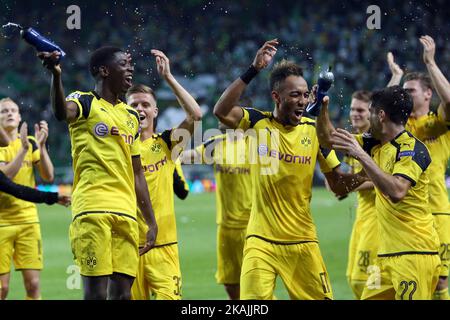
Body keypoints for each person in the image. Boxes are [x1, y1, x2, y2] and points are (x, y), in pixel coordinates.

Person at [213, 39, 367, 300]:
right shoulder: (258, 123)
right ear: (276, 96)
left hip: (302, 241)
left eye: (305, 94)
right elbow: (221, 110)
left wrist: (370, 172)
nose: (302, 100)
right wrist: (253, 69)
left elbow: (338, 185)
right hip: (260, 242)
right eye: (294, 94)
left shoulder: (314, 132)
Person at [36, 47, 157, 300]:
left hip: (126, 213)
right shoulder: (84, 101)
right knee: (96, 295)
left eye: (130, 64)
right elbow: (61, 112)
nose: (131, 69)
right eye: (124, 64)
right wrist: (56, 75)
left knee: (124, 295)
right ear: (104, 70)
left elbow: (137, 173)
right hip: (93, 209)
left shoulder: (132, 116)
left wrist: (151, 220)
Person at [317, 85, 440, 300]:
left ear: (381, 115)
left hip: (414, 254)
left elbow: (397, 191)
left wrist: (361, 156)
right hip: (385, 257)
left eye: (370, 111)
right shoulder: (373, 142)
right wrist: (321, 107)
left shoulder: (412, 149)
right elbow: (329, 139)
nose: (367, 117)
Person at [126, 49, 202, 300]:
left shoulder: (168, 144)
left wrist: (168, 77)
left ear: (155, 111)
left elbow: (196, 115)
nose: (140, 109)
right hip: (129, 247)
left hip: (165, 247)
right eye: (134, 105)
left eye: (145, 104)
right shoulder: (117, 149)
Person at [387, 36, 450, 300]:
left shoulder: (438, 124)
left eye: (410, 90)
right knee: (404, 282)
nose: (405, 95)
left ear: (428, 93)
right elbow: (376, 112)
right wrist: (395, 77)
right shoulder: (398, 126)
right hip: (403, 216)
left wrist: (430, 62)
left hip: (436, 210)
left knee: (440, 280)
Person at [181, 121, 252, 300]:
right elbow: (187, 156)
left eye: (225, 112)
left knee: (255, 287)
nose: (220, 118)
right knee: (230, 285)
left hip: (252, 228)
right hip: (226, 227)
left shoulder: (255, 145)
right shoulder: (216, 143)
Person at [0, 98, 55, 300]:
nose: (9, 113)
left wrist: (40, 146)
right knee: (2, 289)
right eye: (4, 111)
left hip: (28, 221)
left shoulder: (31, 143)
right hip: (1, 223)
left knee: (33, 285)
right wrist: (23, 149)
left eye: (13, 110)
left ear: (20, 116)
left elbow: (48, 176)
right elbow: (5, 178)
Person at [342, 91, 377, 299]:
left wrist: (348, 184)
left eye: (360, 110)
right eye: (353, 109)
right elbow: (348, 176)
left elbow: (382, 180)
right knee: (352, 278)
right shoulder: (354, 141)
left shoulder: (378, 142)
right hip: (361, 217)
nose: (355, 114)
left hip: (377, 219)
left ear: (371, 113)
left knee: (364, 281)